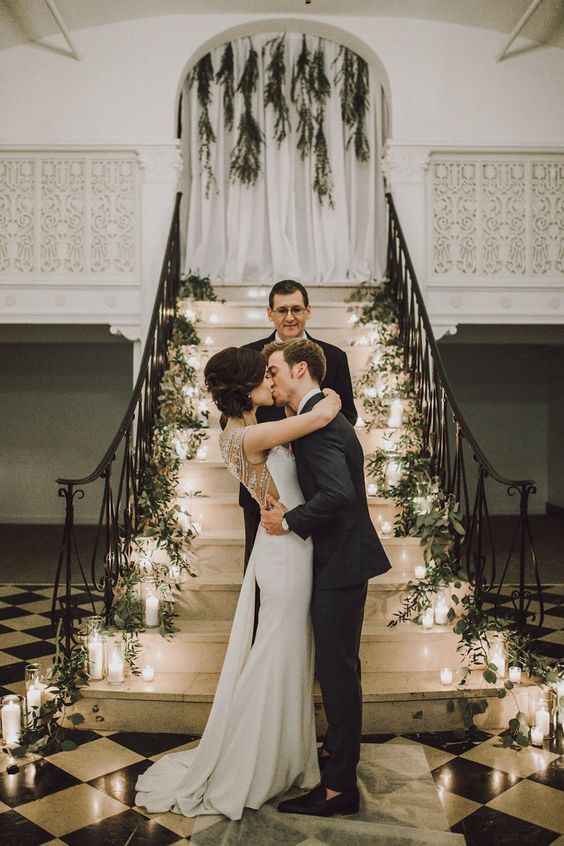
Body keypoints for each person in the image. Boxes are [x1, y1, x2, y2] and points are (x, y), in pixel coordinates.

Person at [135, 346, 342, 820]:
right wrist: (325, 396)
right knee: (277, 657)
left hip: (286, 548)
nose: (272, 380)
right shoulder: (248, 434)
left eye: (274, 372)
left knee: (286, 656)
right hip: (285, 554)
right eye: (264, 374)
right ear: (246, 385)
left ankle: (285, 757)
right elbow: (321, 416)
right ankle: (257, 763)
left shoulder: (244, 430)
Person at [261, 338, 391, 818]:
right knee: (338, 671)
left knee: (337, 674)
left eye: (274, 370)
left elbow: (337, 495)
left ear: (299, 370)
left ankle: (339, 789)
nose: (269, 380)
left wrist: (288, 521)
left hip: (340, 564)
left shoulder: (318, 427)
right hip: (339, 559)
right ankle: (337, 764)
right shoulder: (316, 417)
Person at [241, 279, 357, 636]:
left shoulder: (332, 357)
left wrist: (307, 438)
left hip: (315, 480)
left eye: (296, 309)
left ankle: (309, 646)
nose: (290, 317)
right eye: (282, 309)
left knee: (312, 573)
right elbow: (240, 411)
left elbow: (347, 416)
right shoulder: (250, 356)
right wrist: (283, 436)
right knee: (264, 571)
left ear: (308, 311)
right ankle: (265, 641)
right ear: (270, 314)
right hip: (267, 482)